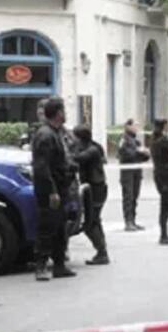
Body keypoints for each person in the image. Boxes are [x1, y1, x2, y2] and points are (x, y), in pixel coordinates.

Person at [31, 98, 77, 281]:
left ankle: (59, 265)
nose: (65, 114)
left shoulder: (57, 133)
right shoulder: (45, 135)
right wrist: (52, 191)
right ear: (58, 113)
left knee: (59, 228)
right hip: (50, 191)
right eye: (63, 110)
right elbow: (42, 167)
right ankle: (41, 265)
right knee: (47, 227)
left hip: (61, 187)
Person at [72, 125, 110, 265]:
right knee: (95, 220)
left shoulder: (92, 150)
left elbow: (77, 159)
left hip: (96, 189)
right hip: (94, 188)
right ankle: (102, 250)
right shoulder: (93, 147)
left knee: (90, 222)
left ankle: (102, 251)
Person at [118, 119, 150, 231]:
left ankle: (133, 220)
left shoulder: (136, 141)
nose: (137, 128)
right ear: (128, 126)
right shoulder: (124, 139)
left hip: (137, 172)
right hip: (127, 173)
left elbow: (144, 157)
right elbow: (125, 154)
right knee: (128, 197)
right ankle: (128, 221)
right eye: (135, 125)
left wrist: (145, 153)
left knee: (135, 197)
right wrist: (138, 151)